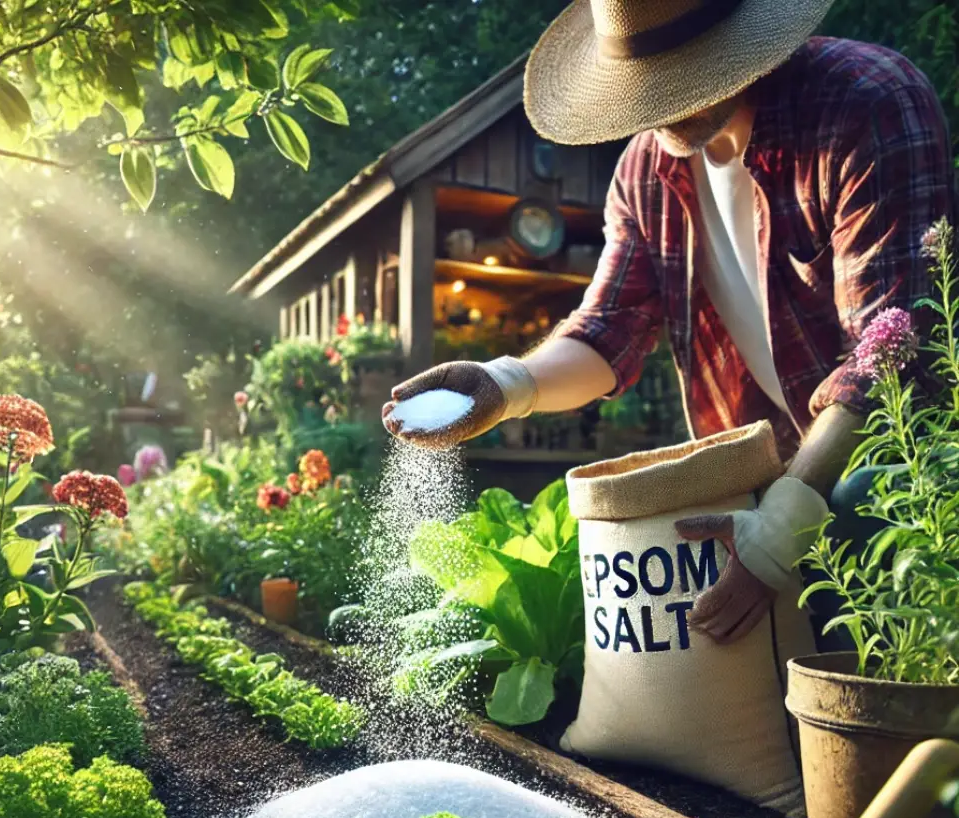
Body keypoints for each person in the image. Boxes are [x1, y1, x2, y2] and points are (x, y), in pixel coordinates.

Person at [383, 0, 956, 646]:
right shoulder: (645, 173)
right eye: (650, 78)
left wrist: (781, 527)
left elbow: (889, 356)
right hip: (770, 479)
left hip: (901, 475)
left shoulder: (865, 103)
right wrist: (505, 385)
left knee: (859, 507)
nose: (665, 102)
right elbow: (608, 329)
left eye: (686, 69)